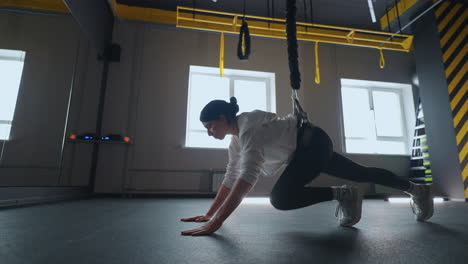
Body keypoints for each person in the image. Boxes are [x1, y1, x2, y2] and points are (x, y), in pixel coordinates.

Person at [180, 97, 434, 236]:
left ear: (223, 118)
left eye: (210, 126)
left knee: (280, 197)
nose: (209, 132)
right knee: (362, 173)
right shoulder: (237, 141)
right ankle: (417, 189)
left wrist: (218, 223)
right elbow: (231, 176)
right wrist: (211, 213)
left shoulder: (249, 131)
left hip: (311, 144)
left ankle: (343, 194)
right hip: (309, 148)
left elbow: (247, 178)